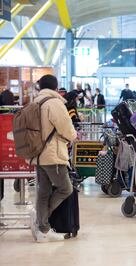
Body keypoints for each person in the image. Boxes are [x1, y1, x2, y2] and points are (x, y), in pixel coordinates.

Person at [30, 74, 77, 243]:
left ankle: (42, 228)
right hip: (53, 154)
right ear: (56, 87)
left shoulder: (35, 102)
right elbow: (66, 128)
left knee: (43, 191)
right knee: (65, 188)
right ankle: (41, 222)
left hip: (38, 154)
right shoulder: (54, 103)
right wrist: (73, 135)